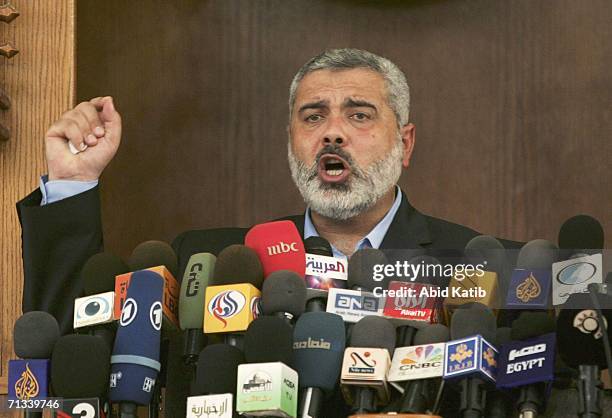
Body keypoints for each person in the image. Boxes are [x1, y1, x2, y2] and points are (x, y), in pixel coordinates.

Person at [17, 48, 516, 416]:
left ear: (404, 143)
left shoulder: (475, 267)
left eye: (359, 115)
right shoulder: (209, 260)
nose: (333, 132)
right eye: (313, 116)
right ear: (292, 141)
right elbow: (66, 353)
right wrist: (72, 184)